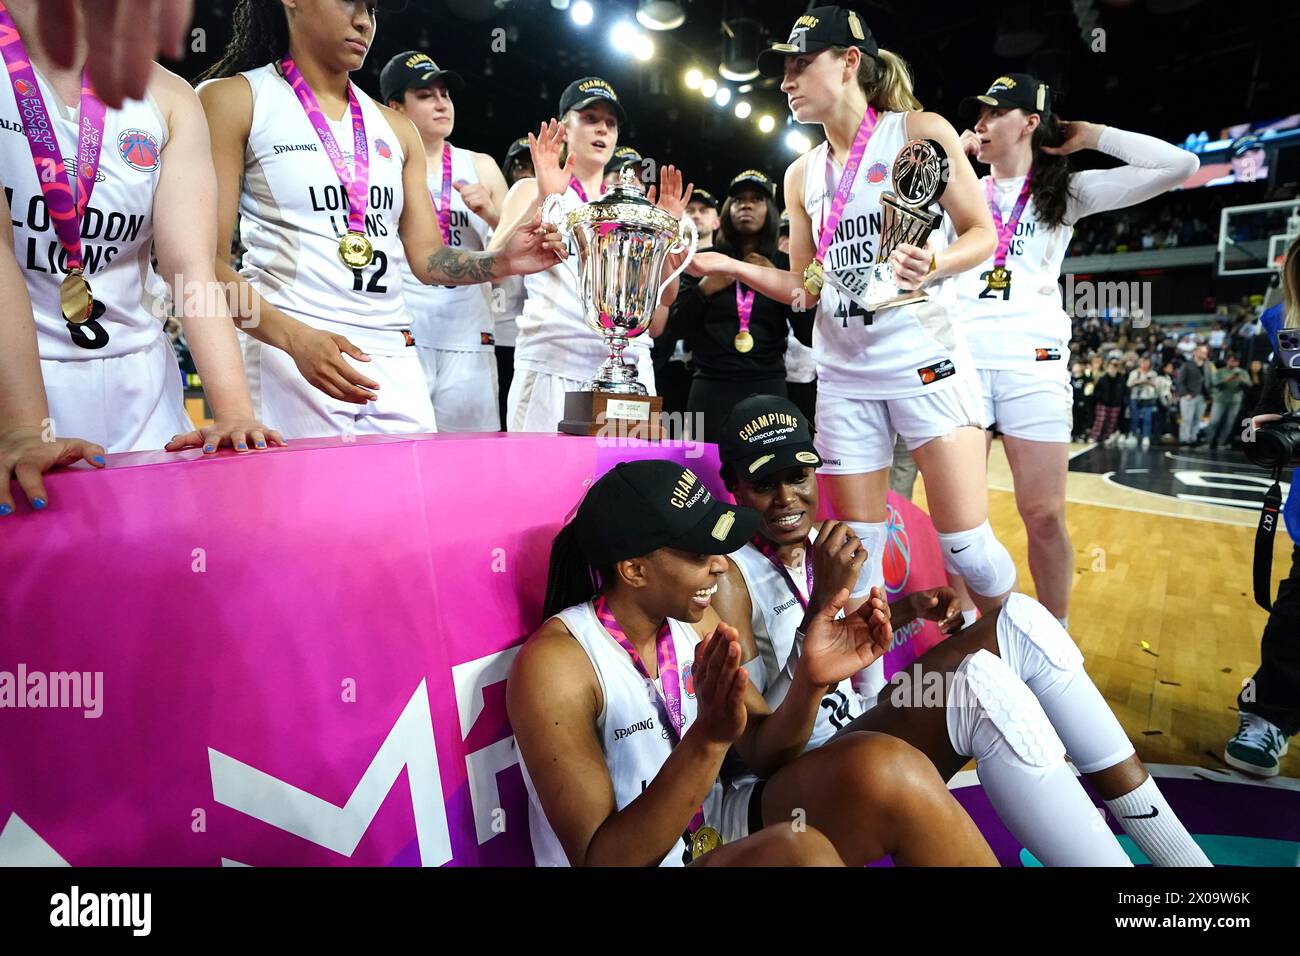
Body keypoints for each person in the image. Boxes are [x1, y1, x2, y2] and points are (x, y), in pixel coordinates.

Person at [713, 394, 1210, 866]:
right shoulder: (729, 577)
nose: (786, 498)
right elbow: (761, 753)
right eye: (763, 484)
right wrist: (819, 616)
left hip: (848, 734)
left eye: (797, 476)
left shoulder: (827, 540)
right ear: (733, 484)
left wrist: (908, 610)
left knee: (1022, 621)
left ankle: (1183, 862)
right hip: (774, 792)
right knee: (981, 691)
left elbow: (839, 644)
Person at [688, 6, 1016, 621]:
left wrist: (936, 261)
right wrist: (731, 268)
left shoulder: (919, 131)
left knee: (967, 547)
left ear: (848, 61)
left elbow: (983, 234)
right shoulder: (800, 173)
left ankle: (1011, 646)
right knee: (854, 554)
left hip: (924, 359)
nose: (785, 80)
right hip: (842, 372)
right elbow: (805, 286)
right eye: (782, 70)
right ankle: (862, 693)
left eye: (799, 64)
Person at [511, 458, 997, 866]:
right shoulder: (556, 664)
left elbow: (766, 755)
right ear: (634, 569)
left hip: (714, 826)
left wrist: (809, 680)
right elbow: (602, 861)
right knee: (798, 851)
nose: (720, 563)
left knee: (888, 766)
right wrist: (708, 740)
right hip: (640, 857)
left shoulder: (688, 620)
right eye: (699, 552)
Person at [197, 0, 564, 440]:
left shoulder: (396, 127)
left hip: (392, 357)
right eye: (350, 2)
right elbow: (202, 265)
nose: (363, 21)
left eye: (371, 9)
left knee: (410, 505)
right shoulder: (232, 99)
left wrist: (502, 260)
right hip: (288, 352)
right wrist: (294, 339)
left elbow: (428, 259)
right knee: (307, 510)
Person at [952, 73, 1197, 624]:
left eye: (995, 113)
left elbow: (1179, 167)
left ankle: (1054, 634)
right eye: (979, 114)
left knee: (1042, 512)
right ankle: (962, 633)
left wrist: (1091, 136)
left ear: (1030, 123)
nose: (981, 123)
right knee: (960, 521)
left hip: (1033, 367)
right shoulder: (957, 184)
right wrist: (947, 160)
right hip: (958, 364)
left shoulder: (1065, 192)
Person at [0, 0, 280, 457]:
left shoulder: (169, 97)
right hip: (14, 387)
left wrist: (234, 414)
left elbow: (189, 268)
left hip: (143, 390)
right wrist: (22, 427)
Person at [493, 78, 689, 432]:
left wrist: (665, 246)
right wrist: (543, 198)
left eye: (611, 123)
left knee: (623, 483)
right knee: (540, 484)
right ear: (564, 127)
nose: (602, 128)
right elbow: (494, 266)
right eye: (590, 117)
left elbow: (664, 301)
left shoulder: (632, 207)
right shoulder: (529, 188)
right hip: (553, 360)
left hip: (627, 365)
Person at [383, 51, 505, 432]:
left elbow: (513, 265)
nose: (441, 104)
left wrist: (491, 214)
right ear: (396, 107)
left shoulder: (480, 166)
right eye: (425, 95)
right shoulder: (380, 166)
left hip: (467, 334)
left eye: (445, 94)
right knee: (402, 458)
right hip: (403, 334)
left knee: (471, 464)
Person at [1226, 238, 1300, 776]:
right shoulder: (1285, 321)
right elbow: (1267, 413)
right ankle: (1270, 715)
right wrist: (1262, 428)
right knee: (1296, 617)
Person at [665, 171, 806, 443]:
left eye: (757, 199)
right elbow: (676, 327)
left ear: (772, 211)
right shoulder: (704, 260)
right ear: (728, 209)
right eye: (739, 199)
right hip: (710, 385)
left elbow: (808, 333)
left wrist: (778, 281)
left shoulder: (784, 265)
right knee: (704, 478)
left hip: (768, 384)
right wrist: (705, 289)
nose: (747, 205)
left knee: (766, 478)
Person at [494, 135, 534, 429]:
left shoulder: (554, 204)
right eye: (519, 165)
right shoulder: (497, 200)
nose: (525, 172)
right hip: (495, 331)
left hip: (529, 332)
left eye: (532, 165)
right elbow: (494, 260)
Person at [1206, 353, 1251, 451]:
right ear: (1227, 361)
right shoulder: (1220, 371)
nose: (1233, 363)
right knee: (1214, 421)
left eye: (1236, 361)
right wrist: (1227, 379)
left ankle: (1221, 443)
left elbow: (1249, 385)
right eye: (1231, 360)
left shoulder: (1242, 372)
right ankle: (1207, 442)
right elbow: (1214, 384)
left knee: (1229, 423)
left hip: (1235, 401)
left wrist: (1241, 379)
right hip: (1220, 400)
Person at [1176, 344, 1212, 446]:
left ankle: (1193, 438)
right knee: (1187, 419)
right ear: (1196, 352)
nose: (1205, 354)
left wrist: (1209, 395)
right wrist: (1185, 393)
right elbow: (1180, 381)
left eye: (1206, 352)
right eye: (1203, 352)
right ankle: (1184, 438)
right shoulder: (1187, 364)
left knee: (1197, 419)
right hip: (1189, 395)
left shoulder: (1208, 365)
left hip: (1203, 396)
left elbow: (1209, 381)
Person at [1089, 357, 1126, 446]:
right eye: (1112, 365)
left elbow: (1123, 392)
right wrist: (1100, 399)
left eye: (1116, 365)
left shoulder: (1121, 379)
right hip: (1103, 403)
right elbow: (1096, 391)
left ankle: (1106, 437)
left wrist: (1120, 401)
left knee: (1111, 422)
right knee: (1100, 421)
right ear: (1108, 366)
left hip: (1115, 404)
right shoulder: (1103, 378)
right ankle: (1094, 437)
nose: (1114, 367)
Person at [1126, 356, 1159, 450]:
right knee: (1135, 417)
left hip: (1148, 398)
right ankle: (1133, 435)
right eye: (1143, 362)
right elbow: (1128, 384)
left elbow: (1156, 386)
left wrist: (1148, 382)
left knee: (1147, 418)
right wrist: (1138, 381)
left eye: (1146, 362)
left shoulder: (1153, 373)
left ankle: (1146, 436)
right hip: (1135, 397)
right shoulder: (1134, 373)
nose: (1144, 364)